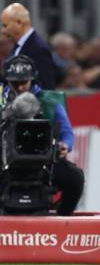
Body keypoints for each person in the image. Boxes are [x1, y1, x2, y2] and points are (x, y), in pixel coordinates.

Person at [1, 55, 84, 215]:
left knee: (75, 179)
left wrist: (65, 145)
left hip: (44, 162)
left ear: (32, 80)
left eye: (23, 82)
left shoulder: (50, 101)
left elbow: (67, 132)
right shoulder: (0, 98)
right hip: (5, 162)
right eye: (14, 83)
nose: (19, 88)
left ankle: (62, 217)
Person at [1, 3, 55, 89]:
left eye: (5, 26)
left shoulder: (39, 49)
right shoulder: (18, 46)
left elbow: (46, 87)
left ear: (19, 23)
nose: (3, 31)